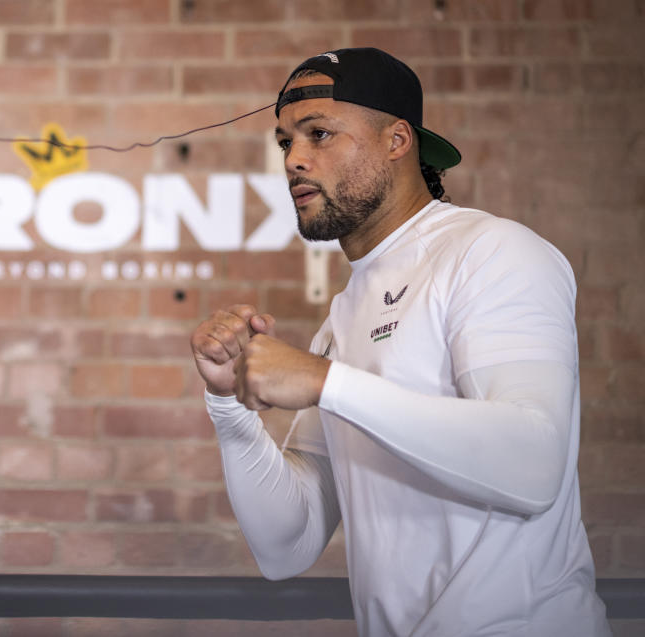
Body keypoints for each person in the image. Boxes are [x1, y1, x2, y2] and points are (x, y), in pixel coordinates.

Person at [190, 48, 610, 637]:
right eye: (286, 142)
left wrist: (326, 381)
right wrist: (230, 407)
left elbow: (536, 465)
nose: (294, 160)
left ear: (396, 140)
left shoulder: (491, 252)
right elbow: (288, 546)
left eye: (319, 134)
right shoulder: (342, 318)